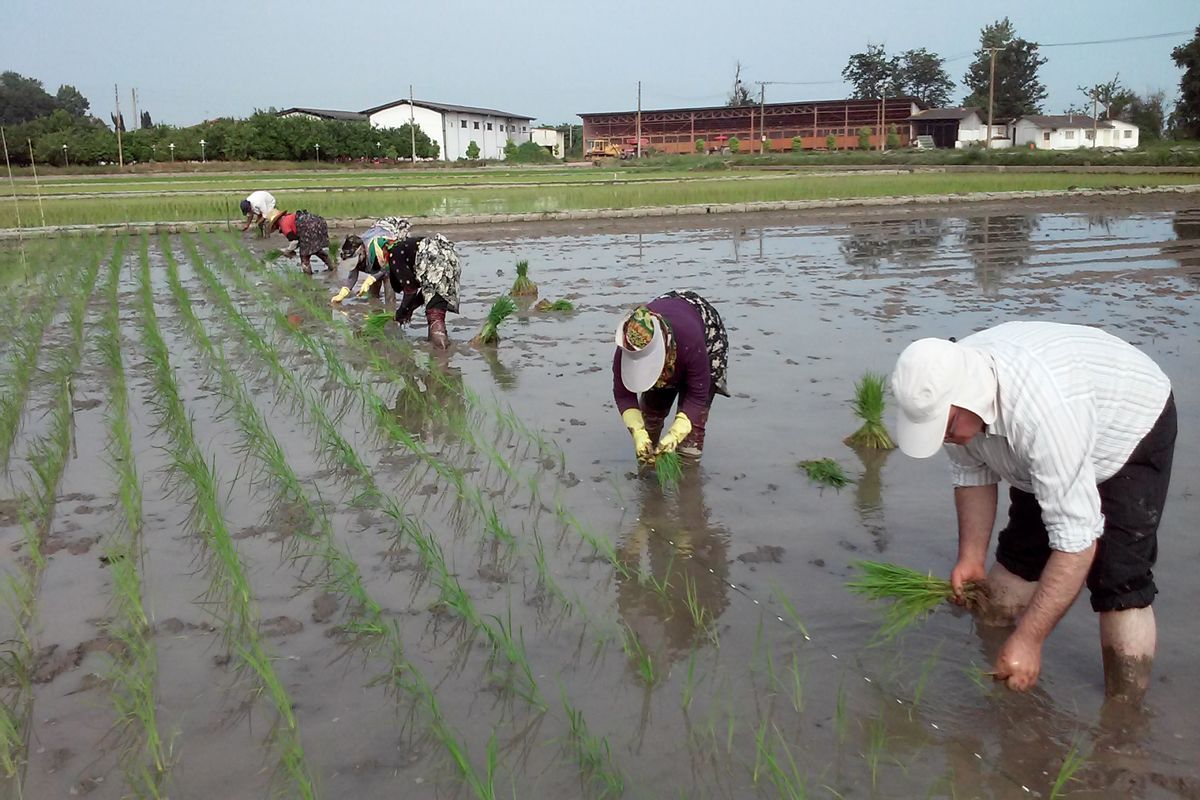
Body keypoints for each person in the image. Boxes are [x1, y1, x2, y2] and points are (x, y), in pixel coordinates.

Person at [890, 321, 1176, 701]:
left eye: (944, 426)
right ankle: (999, 676)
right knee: (1013, 570)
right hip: (1044, 441)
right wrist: (971, 558)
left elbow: (1077, 543)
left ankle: (1123, 715)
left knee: (1118, 581)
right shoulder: (945, 393)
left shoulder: (1044, 414)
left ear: (966, 400)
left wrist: (1030, 639)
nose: (941, 436)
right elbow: (972, 472)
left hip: (1129, 427)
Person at [613, 291, 729, 465]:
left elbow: (698, 395)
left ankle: (688, 482)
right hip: (673, 327)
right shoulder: (630, 345)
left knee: (690, 437)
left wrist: (677, 431)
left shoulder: (690, 340)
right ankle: (648, 475)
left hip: (703, 336)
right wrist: (638, 431)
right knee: (650, 418)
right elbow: (623, 395)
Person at [333, 219, 460, 350]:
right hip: (447, 260)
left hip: (438, 265)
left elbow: (410, 290)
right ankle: (437, 346)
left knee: (434, 314)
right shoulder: (401, 252)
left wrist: (400, 313)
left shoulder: (395, 256)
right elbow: (423, 292)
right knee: (433, 307)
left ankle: (441, 354)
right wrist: (409, 310)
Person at [267, 209, 333, 274]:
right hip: (319, 222)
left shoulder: (284, 225)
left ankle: (308, 277)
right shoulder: (290, 217)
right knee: (316, 249)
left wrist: (287, 251)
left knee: (304, 255)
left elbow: (294, 241)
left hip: (308, 228)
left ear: (276, 223)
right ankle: (332, 267)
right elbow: (298, 240)